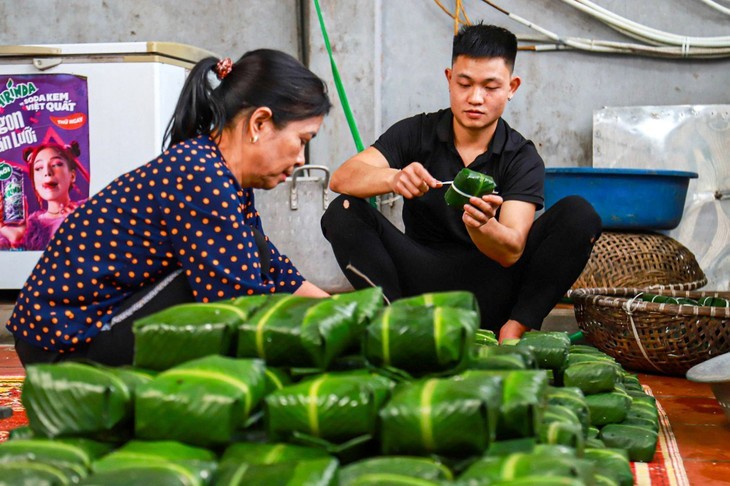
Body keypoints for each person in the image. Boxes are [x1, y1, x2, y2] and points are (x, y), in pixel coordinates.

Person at [6, 48, 332, 366]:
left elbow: (272, 267)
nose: (301, 158)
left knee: (249, 252)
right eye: (303, 139)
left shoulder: (225, 176)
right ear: (260, 123)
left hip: (95, 328)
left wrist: (344, 316)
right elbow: (239, 303)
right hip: (64, 343)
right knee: (221, 299)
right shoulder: (200, 173)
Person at [321, 23, 602, 342]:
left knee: (579, 215)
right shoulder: (416, 132)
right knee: (343, 210)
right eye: (464, 83)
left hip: (493, 290)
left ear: (512, 87)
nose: (475, 98)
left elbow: (510, 251)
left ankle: (514, 328)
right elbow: (342, 178)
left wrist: (484, 226)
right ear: (449, 79)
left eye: (490, 87)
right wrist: (395, 178)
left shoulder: (521, 156)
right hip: (421, 281)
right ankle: (397, 323)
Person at [0, 142, 86, 251]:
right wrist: (16, 241)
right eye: (39, 168)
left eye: (56, 164)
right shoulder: (28, 228)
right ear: (34, 181)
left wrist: (82, 229)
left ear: (72, 175)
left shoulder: (90, 212)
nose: (47, 172)